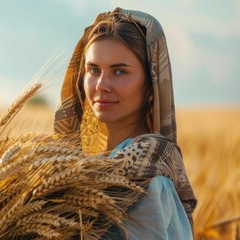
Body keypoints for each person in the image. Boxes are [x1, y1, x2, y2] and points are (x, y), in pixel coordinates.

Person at [54, 7, 197, 239]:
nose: (101, 85)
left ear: (151, 85)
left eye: (120, 71)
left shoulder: (149, 179)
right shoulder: (81, 170)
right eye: (93, 70)